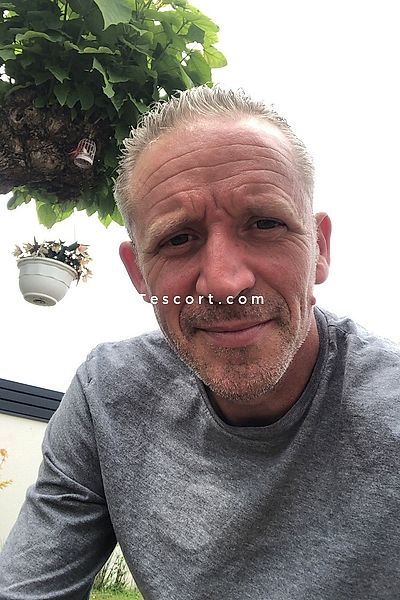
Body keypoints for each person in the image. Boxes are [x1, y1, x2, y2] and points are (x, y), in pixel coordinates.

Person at [0, 86, 399, 600]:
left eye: (265, 224)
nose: (225, 283)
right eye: (178, 239)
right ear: (139, 273)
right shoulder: (109, 397)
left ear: (319, 250)